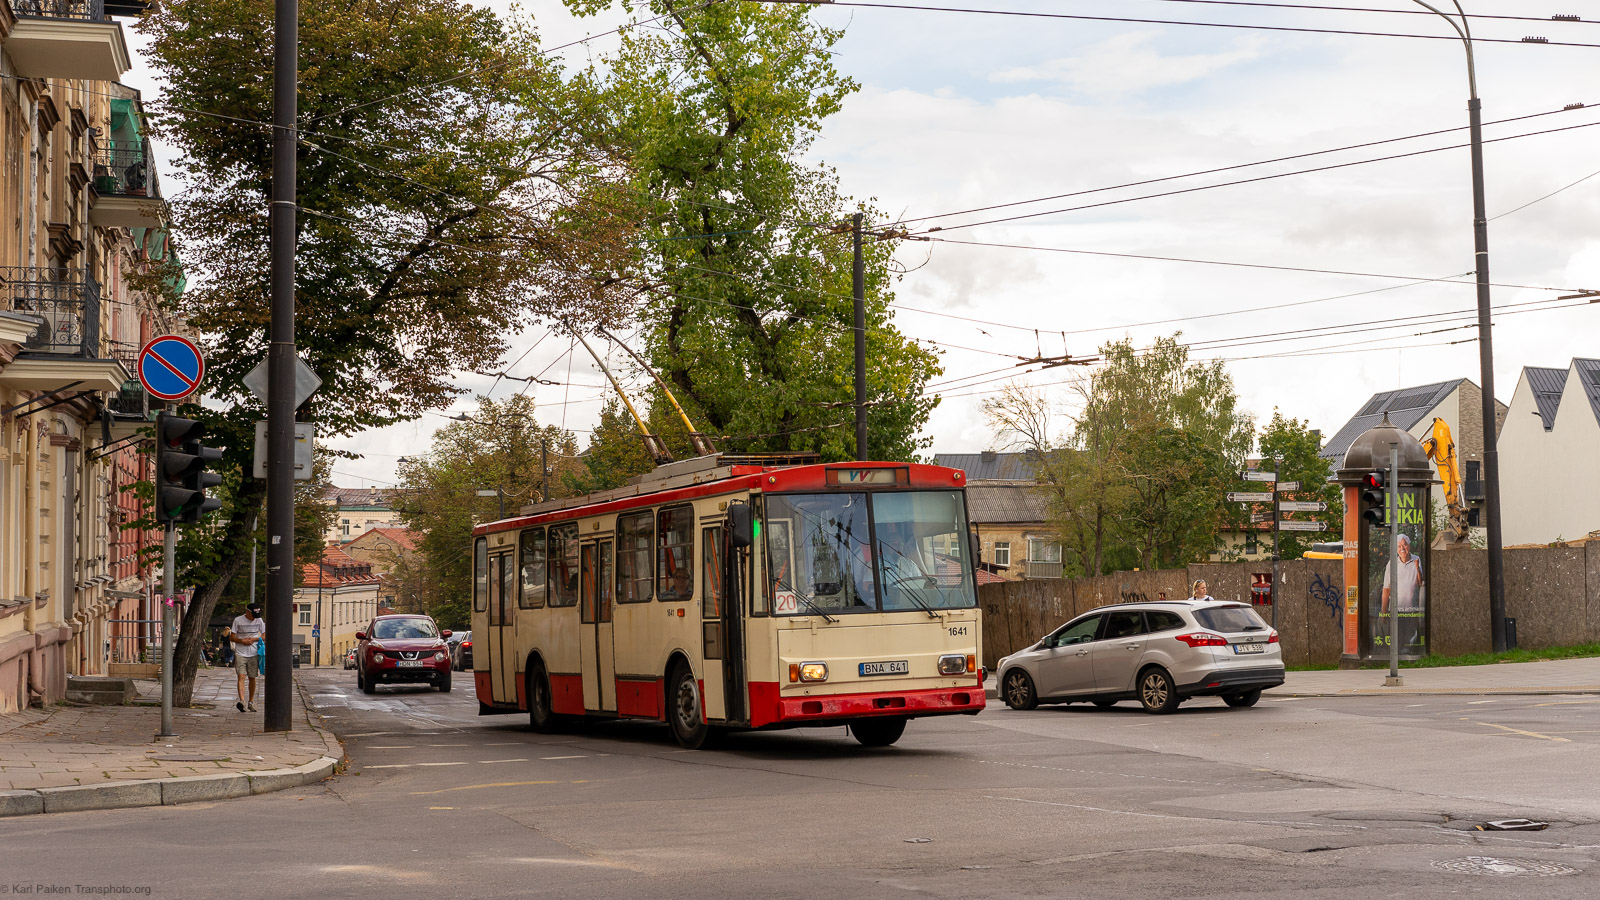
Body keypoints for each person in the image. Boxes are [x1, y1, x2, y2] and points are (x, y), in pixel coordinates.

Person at [225, 603, 266, 713]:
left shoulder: (259, 620)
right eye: (253, 615)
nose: (254, 618)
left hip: (254, 652)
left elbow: (264, 635)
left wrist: (254, 639)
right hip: (240, 652)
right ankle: (242, 701)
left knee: (252, 677)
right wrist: (241, 641)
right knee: (241, 676)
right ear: (247, 611)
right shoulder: (238, 620)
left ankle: (251, 702)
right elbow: (232, 637)